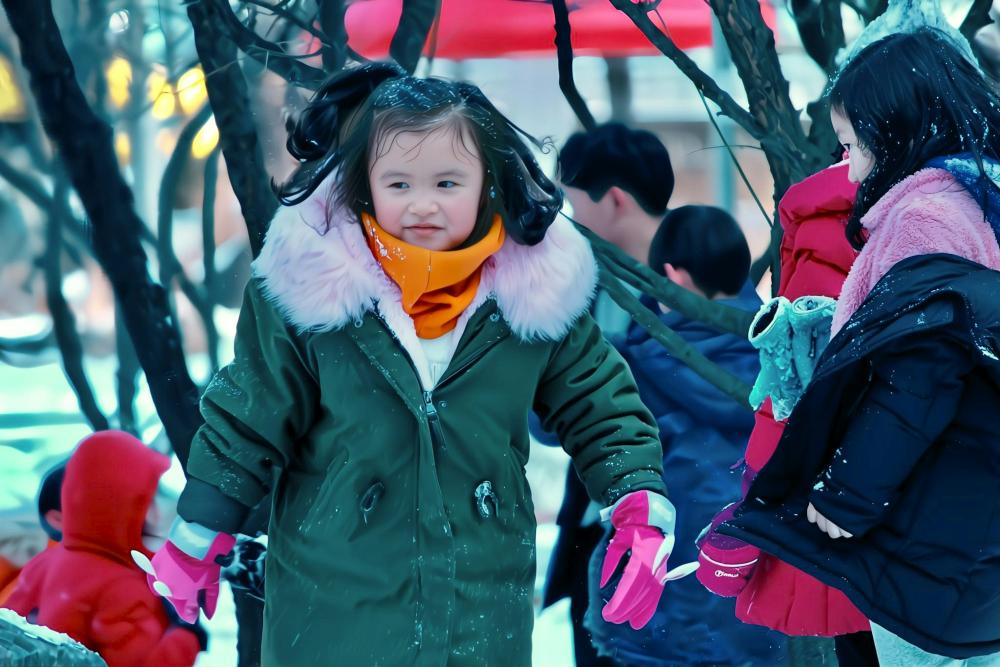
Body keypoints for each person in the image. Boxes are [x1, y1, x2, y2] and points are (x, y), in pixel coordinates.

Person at [139, 63, 687, 667]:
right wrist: (199, 529)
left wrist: (637, 497)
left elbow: (598, 401)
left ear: (488, 181)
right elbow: (251, 413)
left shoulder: (533, 292)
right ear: (364, 184)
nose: (422, 205)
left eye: (447, 183)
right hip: (333, 608)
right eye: (398, 184)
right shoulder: (312, 291)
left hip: (479, 608)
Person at [719, 28, 1000, 666]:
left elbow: (919, 373)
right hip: (971, 508)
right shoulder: (983, 197)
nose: (846, 169)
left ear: (899, 132)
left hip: (926, 516)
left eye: (851, 146)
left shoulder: (927, 219)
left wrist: (846, 493)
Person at [584, 205, 786, 666]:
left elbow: (545, 421)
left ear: (673, 278)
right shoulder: (784, 362)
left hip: (657, 604)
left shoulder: (631, 367)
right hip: (758, 604)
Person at [541, 122, 674, 667]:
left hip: (676, 532)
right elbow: (547, 420)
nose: (564, 220)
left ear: (615, 199)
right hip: (594, 529)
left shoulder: (702, 276)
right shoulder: (580, 285)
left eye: (572, 204)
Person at [3, 430, 205, 667]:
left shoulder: (45, 563)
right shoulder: (123, 588)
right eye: (145, 501)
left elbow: (8, 634)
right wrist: (186, 634)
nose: (156, 514)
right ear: (119, 507)